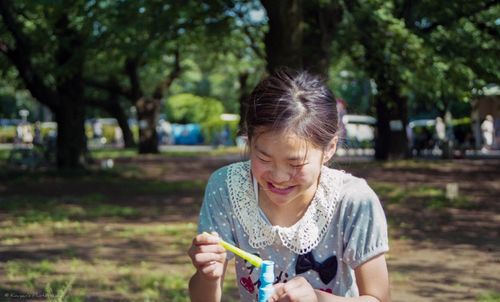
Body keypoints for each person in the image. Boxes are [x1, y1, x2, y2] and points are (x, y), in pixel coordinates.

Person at [188, 69, 390, 302]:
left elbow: (378, 297)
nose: (279, 176)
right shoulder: (226, 188)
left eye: (296, 163)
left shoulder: (354, 200)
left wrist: (318, 299)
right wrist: (208, 276)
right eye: (263, 158)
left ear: (330, 148)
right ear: (249, 141)